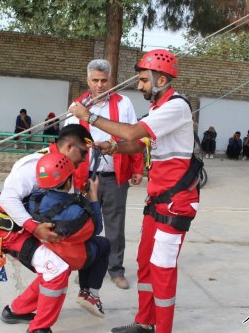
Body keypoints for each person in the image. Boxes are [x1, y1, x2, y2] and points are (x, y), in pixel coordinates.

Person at [69, 49, 201, 333]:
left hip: (175, 203)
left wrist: (88, 117)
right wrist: (113, 147)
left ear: (162, 79)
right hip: (158, 201)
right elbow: (139, 143)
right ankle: (145, 322)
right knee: (145, 263)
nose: (139, 85)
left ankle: (161, 329)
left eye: (143, 80)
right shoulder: (158, 108)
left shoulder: (176, 107)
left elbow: (131, 132)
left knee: (163, 269)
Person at [0, 124, 93, 333]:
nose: (84, 159)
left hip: (26, 228)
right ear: (70, 147)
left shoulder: (59, 165)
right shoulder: (35, 166)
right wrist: (34, 228)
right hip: (11, 233)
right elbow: (8, 198)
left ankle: (16, 310)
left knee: (58, 264)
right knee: (57, 269)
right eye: (83, 152)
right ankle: (39, 328)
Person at [65, 59, 144, 290]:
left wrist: (137, 168)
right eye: (95, 80)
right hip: (85, 176)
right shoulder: (76, 106)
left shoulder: (123, 103)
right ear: (88, 79)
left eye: (104, 80)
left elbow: (134, 137)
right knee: (85, 225)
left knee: (115, 225)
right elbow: (68, 141)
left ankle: (116, 269)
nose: (99, 85)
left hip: (114, 176)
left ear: (111, 80)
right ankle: (85, 266)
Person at [28, 152, 110, 318]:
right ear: (68, 180)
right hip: (69, 254)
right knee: (103, 244)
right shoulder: (75, 211)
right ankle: (91, 294)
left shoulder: (36, 200)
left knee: (93, 244)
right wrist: (93, 198)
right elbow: (96, 228)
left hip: (46, 249)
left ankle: (85, 290)